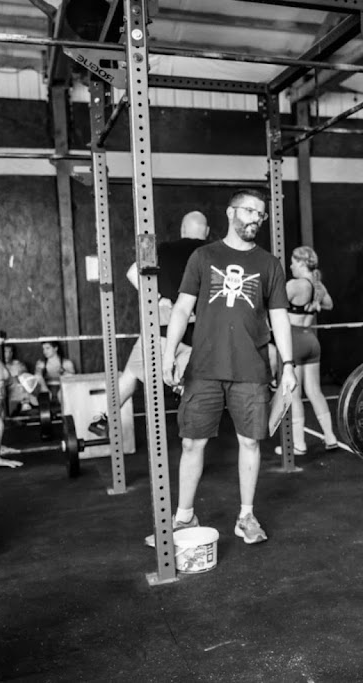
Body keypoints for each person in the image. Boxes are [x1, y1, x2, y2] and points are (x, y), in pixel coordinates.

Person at [156, 189, 298, 546]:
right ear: (231, 212)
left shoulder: (269, 264)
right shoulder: (203, 257)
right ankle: (184, 518)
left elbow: (280, 318)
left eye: (261, 215)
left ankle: (246, 516)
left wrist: (288, 365)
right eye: (249, 211)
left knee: (250, 442)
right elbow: (181, 308)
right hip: (204, 366)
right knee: (192, 443)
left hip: (251, 368)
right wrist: (169, 353)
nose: (256, 219)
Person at [90, 211, 209, 436]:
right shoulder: (212, 252)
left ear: (182, 229)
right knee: (190, 378)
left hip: (162, 329)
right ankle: (182, 392)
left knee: (131, 374)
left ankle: (104, 417)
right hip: (199, 334)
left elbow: (132, 273)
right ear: (207, 231)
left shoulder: (162, 249)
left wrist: (157, 298)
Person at [274, 245, 338, 456]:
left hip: (293, 340)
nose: (291, 266)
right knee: (314, 391)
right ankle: (330, 437)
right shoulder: (318, 285)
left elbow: (273, 305)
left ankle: (299, 444)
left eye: (293, 262)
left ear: (301, 263)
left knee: (294, 394)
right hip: (311, 340)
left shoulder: (295, 285)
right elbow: (329, 305)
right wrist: (314, 304)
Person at [2, 345, 39, 416]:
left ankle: (25, 404)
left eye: (10, 352)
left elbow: (25, 376)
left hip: (18, 396)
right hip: (4, 396)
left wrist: (19, 376)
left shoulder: (18, 365)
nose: (8, 355)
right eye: (5, 351)